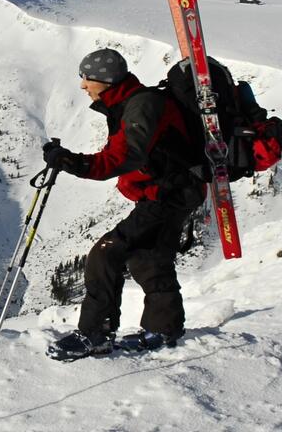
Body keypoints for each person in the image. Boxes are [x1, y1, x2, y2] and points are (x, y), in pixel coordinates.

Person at [43, 48, 206, 361]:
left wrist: (71, 162)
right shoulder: (128, 103)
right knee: (149, 257)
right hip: (172, 190)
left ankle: (95, 335)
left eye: (87, 78)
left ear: (105, 80)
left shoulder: (141, 105)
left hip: (170, 193)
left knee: (106, 253)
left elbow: (124, 156)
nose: (83, 85)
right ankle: (164, 328)